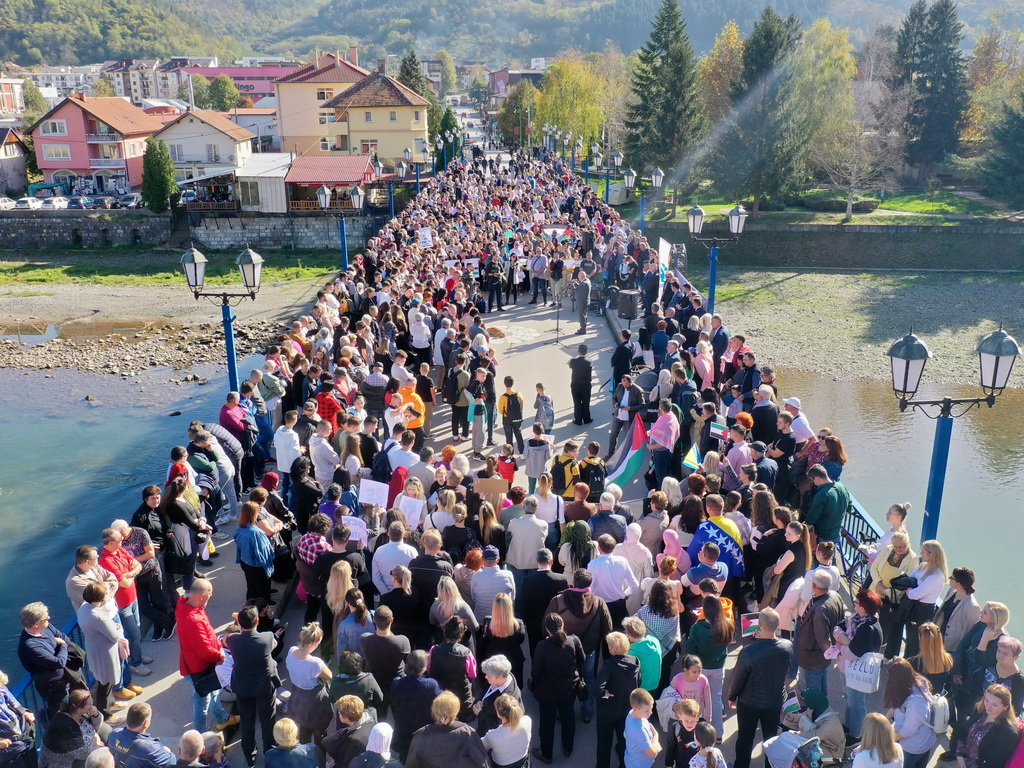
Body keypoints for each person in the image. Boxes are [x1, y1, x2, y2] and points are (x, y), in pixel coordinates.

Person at [728, 608, 794, 768]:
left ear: (760, 625)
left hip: (749, 704)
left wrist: (731, 696)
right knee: (771, 740)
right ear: (777, 625)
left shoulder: (749, 651)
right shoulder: (787, 646)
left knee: (745, 739)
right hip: (776, 701)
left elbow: (738, 678)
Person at [546, 569, 613, 724]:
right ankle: (588, 712)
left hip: (563, 649)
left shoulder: (558, 600)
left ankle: (563, 711)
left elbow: (547, 623)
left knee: (563, 679)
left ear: (574, 582)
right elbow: (607, 629)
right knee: (589, 679)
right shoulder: (599, 602)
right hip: (589, 650)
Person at [226, 605, 279, 767]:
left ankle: (250, 757)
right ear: (257, 621)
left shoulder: (232, 640)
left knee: (247, 723)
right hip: (264, 687)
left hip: (243, 688)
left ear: (239, 623)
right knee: (267, 721)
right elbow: (275, 645)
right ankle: (270, 752)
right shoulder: (267, 638)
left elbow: (225, 639)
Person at [17, 602, 87, 719]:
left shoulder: (47, 627)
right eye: (46, 617)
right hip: (55, 685)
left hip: (70, 673)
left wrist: (62, 646)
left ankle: (84, 724)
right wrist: (62, 646)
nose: (49, 618)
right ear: (36, 624)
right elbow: (58, 662)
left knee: (82, 700)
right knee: (62, 714)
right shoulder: (30, 645)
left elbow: (65, 638)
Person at [530, 613, 584, 763]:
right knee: (568, 717)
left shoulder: (542, 646)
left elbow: (536, 673)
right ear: (563, 625)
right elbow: (582, 660)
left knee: (547, 722)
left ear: (547, 630)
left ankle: (546, 754)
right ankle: (568, 748)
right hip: (569, 689)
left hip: (547, 692)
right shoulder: (574, 641)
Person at [834, 589, 885, 744]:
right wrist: (845, 640)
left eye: (856, 602)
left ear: (862, 608)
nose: (854, 603)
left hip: (858, 672)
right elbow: (837, 627)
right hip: (851, 669)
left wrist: (840, 642)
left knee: (856, 704)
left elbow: (850, 654)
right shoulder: (857, 619)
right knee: (850, 700)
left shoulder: (867, 629)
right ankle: (850, 726)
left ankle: (856, 735)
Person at [887, 540, 948, 660]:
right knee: (910, 637)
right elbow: (909, 578)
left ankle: (912, 668)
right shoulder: (923, 566)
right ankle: (905, 663)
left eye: (923, 552)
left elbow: (915, 594)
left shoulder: (936, 576)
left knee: (915, 641)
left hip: (923, 611)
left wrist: (909, 589)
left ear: (931, 555)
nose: (921, 553)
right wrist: (910, 589)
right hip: (912, 606)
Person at [686, 594, 732, 735]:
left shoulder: (696, 628)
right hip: (719, 666)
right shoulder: (728, 624)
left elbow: (691, 650)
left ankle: (700, 733)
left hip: (701, 669)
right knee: (716, 699)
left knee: (699, 700)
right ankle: (718, 733)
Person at [405, 691, 487, 768]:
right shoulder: (467, 733)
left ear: (434, 711)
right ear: (456, 711)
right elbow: (483, 763)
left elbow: (412, 764)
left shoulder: (421, 736)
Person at [595, 632, 642, 768]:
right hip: (626, 710)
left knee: (604, 744)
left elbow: (596, 690)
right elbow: (638, 682)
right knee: (624, 743)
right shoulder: (635, 662)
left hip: (607, 712)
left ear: (613, 649)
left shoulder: (609, 665)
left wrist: (604, 694)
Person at [796, 570, 845, 696]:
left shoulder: (820, 611)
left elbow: (822, 638)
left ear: (813, 586)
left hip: (814, 656)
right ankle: (823, 705)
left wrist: (829, 652)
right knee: (822, 681)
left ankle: (816, 712)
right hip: (822, 656)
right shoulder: (835, 596)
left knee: (813, 689)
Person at [884, 658, 938, 768]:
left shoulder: (916, 703)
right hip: (918, 741)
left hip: (914, 747)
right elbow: (896, 704)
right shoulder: (911, 684)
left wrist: (888, 739)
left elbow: (908, 730)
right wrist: (883, 721)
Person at [284, 623, 332, 744]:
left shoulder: (291, 651)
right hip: (314, 700)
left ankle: (304, 755)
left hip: (297, 696)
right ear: (312, 643)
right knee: (320, 733)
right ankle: (319, 758)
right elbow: (329, 675)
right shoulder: (315, 662)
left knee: (304, 729)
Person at [360, 607, 411, 720]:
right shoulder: (402, 641)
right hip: (396, 684)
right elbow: (408, 662)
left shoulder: (365, 639)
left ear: (374, 620)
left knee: (379, 717)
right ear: (391, 620)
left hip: (376, 685)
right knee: (399, 717)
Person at [390, 651, 442, 762]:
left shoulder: (397, 682)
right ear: (424, 668)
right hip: (424, 729)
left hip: (404, 727)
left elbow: (394, 705)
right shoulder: (432, 685)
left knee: (405, 757)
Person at [956, 684, 1020, 768]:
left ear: (1005, 707)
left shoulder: (1008, 733)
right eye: (987, 700)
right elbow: (963, 731)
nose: (988, 706)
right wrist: (959, 754)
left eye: (994, 705)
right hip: (964, 761)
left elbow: (995, 763)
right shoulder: (980, 710)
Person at [39, 689, 107, 768]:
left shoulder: (79, 713)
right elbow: (82, 754)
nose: (92, 707)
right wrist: (99, 746)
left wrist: (96, 714)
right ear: (80, 710)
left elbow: (97, 726)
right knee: (99, 759)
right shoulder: (65, 726)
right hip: (63, 762)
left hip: (86, 742)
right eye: (90, 705)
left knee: (106, 730)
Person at [478, 597, 527, 688]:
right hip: (514, 660)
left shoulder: (487, 622)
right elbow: (521, 640)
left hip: (494, 660)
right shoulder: (519, 624)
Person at [107, 703, 174, 768]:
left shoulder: (114, 734)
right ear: (146, 723)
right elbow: (171, 762)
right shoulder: (151, 749)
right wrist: (168, 752)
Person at [939, 567, 982, 654]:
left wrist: (958, 653)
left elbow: (967, 633)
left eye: (951, 577)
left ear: (958, 584)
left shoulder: (972, 606)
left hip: (951, 648)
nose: (949, 578)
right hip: (938, 640)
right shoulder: (952, 591)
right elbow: (942, 612)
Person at [0, 668, 37, 768]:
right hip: (9, 753)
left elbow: (13, 702)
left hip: (26, 740)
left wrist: (25, 712)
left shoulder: (2, 688)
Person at [323, 696, 375, 768]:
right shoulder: (369, 718)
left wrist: (333, 766)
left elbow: (345, 764)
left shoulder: (353, 740)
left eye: (339, 714)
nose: (338, 715)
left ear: (346, 718)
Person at [470, 546, 515, 624]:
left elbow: (473, 598)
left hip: (482, 621)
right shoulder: (508, 575)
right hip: (503, 622)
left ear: (483, 560)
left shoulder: (476, 577)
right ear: (498, 559)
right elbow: (513, 597)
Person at [609, 375, 645, 455]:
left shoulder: (637, 390)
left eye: (626, 384)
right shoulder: (619, 386)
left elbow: (642, 404)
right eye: (623, 383)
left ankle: (628, 455)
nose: (624, 386)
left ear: (630, 382)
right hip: (618, 414)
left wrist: (631, 408)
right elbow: (614, 397)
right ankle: (610, 454)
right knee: (613, 435)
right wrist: (614, 404)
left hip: (629, 417)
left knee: (629, 438)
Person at [624, 688, 660, 768]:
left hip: (633, 760)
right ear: (635, 709)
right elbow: (652, 753)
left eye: (651, 708)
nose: (650, 712)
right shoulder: (639, 730)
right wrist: (656, 734)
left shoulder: (631, 713)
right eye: (647, 711)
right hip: (640, 765)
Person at [498, 377, 526, 453]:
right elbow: (521, 404)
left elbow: (500, 410)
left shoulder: (503, 397)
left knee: (509, 436)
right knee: (519, 435)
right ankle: (522, 451)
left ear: (504, 384)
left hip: (507, 419)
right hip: (517, 418)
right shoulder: (518, 394)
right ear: (513, 384)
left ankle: (510, 453)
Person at [569, 345, 593, 425]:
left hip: (576, 384)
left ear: (578, 351)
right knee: (586, 402)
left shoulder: (573, 361)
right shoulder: (589, 361)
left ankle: (578, 420)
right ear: (586, 352)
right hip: (586, 385)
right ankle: (587, 419)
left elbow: (570, 365)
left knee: (577, 403)